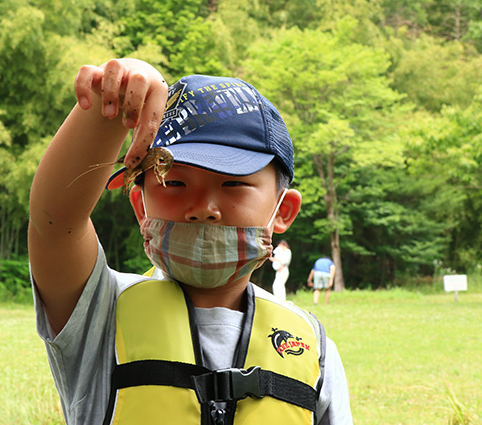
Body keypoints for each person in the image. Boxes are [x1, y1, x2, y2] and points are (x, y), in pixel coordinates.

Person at [28, 58, 352, 425]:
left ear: (284, 211)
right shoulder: (98, 313)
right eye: (175, 183)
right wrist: (113, 104)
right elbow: (54, 224)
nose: (203, 209)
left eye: (233, 184)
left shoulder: (314, 348)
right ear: (140, 206)